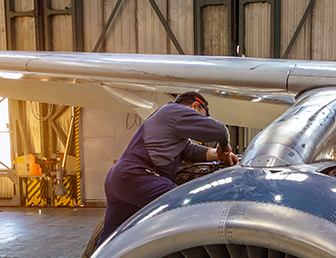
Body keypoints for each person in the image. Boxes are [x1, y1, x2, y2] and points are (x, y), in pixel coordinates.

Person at [97, 91, 238, 245]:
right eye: (202, 117)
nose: (199, 122)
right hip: (136, 176)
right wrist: (225, 146)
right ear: (195, 106)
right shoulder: (175, 111)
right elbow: (219, 131)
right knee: (191, 206)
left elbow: (191, 151)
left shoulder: (168, 124)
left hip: (118, 179)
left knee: (111, 237)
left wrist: (221, 156)